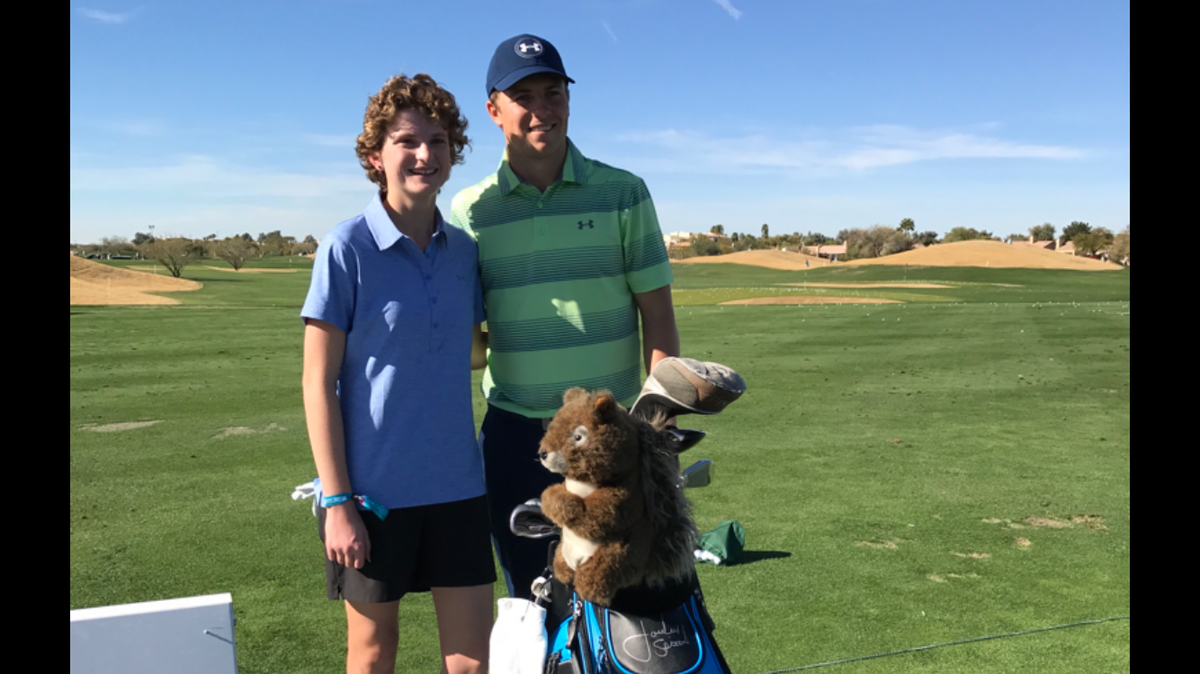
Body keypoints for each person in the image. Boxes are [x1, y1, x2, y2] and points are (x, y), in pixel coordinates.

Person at [449, 34, 680, 599]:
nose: (541, 109)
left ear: (569, 101)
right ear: (494, 111)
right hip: (514, 436)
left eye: (553, 93)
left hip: (611, 437)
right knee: (533, 603)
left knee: (626, 600)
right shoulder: (469, 211)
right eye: (522, 97)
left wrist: (658, 430)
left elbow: (658, 317)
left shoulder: (623, 193)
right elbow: (468, 336)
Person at [301, 73, 493, 674]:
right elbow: (317, 381)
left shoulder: (464, 252)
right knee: (373, 653)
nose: (424, 154)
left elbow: (468, 352)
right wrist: (337, 501)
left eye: (438, 141)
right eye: (407, 141)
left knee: (471, 661)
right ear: (375, 156)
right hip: (371, 495)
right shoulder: (345, 247)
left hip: (459, 487)